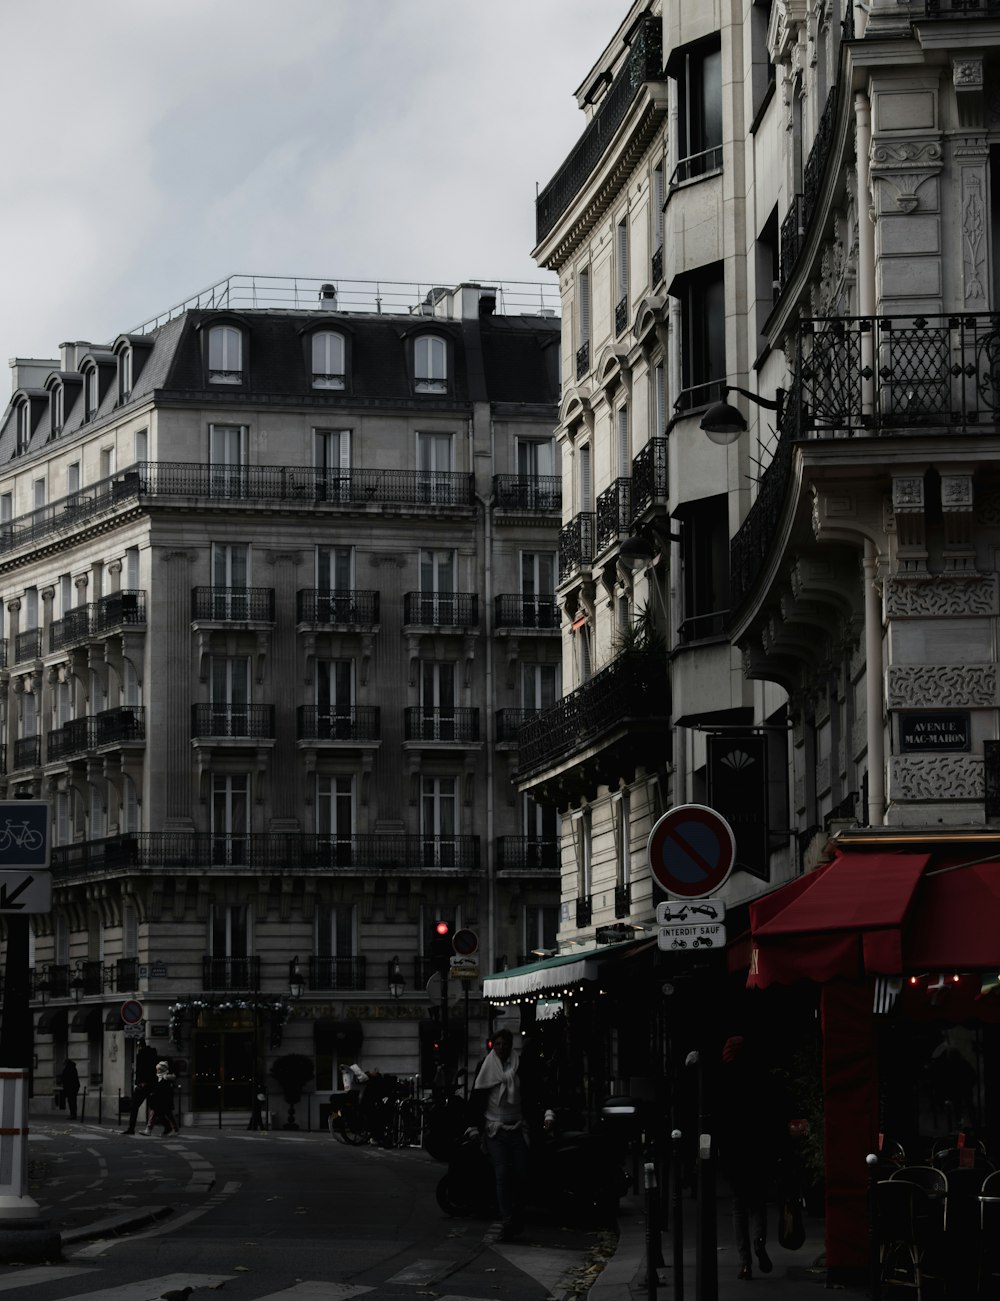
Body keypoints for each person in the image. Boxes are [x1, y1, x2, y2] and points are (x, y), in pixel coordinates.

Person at [717, 1034, 786, 1282]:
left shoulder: (724, 1081)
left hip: (733, 1152)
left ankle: (745, 1262)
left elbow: (718, 1121)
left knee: (738, 1206)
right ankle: (759, 1242)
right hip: (758, 1151)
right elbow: (772, 1117)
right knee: (757, 1204)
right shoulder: (760, 1078)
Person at [467, 1029, 536, 1241]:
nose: (501, 1048)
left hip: (517, 1126)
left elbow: (533, 1093)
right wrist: (473, 1127)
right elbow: (477, 1097)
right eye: (497, 1044)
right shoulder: (485, 1067)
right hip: (494, 1128)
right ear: (492, 1046)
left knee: (522, 1174)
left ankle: (516, 1214)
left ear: (511, 1045)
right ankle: (507, 1219)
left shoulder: (521, 1067)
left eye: (505, 1044)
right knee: (502, 1173)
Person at [122, 1041, 159, 1135]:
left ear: (139, 1045)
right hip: (152, 1085)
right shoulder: (153, 1055)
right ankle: (168, 1127)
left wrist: (141, 1082)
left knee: (134, 1107)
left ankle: (131, 1128)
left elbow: (141, 1070)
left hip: (143, 1085)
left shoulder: (141, 1055)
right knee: (155, 1107)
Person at [143, 1061, 180, 1135]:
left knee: (157, 1114)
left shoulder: (167, 1078)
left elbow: (165, 1089)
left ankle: (149, 1130)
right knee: (165, 1115)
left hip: (164, 1100)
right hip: (159, 1100)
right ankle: (173, 1129)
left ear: (163, 1070)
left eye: (159, 1069)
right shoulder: (158, 1077)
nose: (157, 1070)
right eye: (157, 1069)